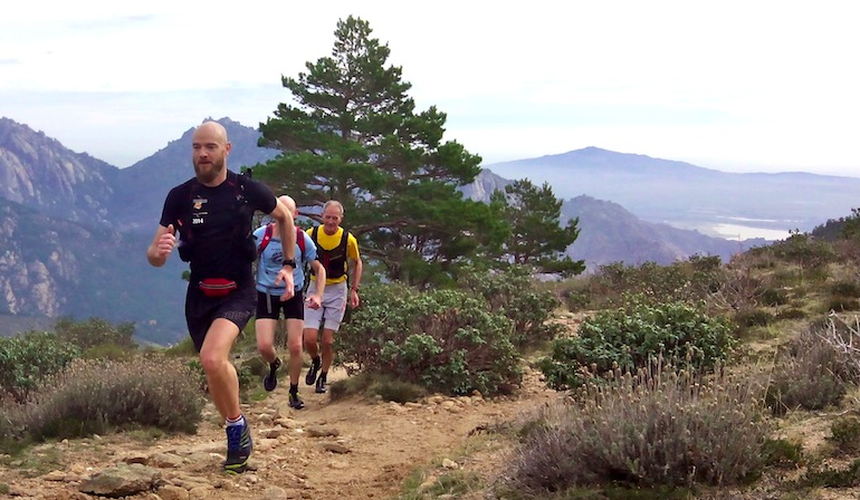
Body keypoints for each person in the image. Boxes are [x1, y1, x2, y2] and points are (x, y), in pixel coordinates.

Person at [146, 121, 297, 475]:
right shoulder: (179, 196)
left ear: (226, 150)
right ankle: (238, 423)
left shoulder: (246, 190)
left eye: (210, 147)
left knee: (213, 359)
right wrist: (159, 251)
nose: (202, 154)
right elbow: (153, 255)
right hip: (198, 294)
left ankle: (234, 431)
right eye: (197, 147)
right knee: (213, 367)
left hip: (239, 290)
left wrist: (289, 265)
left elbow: (285, 218)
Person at [254, 195, 326, 410]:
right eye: (279, 210)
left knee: (295, 345)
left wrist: (318, 295)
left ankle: (293, 391)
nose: (283, 215)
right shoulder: (261, 236)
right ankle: (274, 364)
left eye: (288, 211)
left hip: (293, 293)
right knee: (264, 346)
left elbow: (319, 268)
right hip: (266, 293)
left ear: (295, 215)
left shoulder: (302, 239)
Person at [303, 200, 363, 394]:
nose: (330, 222)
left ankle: (323, 376)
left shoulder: (348, 239)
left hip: (337, 289)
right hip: (314, 287)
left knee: (328, 340)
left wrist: (354, 289)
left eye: (334, 218)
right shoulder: (311, 235)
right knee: (309, 338)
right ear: (322, 216)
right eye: (327, 217)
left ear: (341, 219)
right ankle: (315, 360)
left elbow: (357, 262)